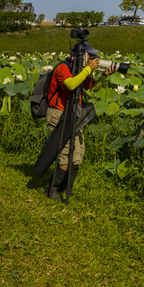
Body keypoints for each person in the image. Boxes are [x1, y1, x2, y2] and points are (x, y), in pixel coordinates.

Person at [45, 40, 116, 201]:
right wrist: (88, 69)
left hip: (74, 113)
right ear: (79, 56)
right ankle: (52, 190)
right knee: (64, 152)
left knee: (77, 154)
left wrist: (104, 76)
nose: (93, 58)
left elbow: (92, 89)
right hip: (58, 112)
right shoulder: (62, 67)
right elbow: (70, 85)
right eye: (89, 55)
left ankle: (66, 189)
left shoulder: (83, 71)